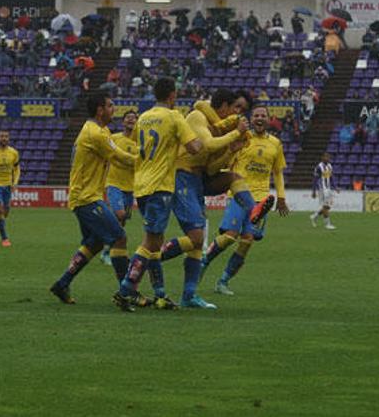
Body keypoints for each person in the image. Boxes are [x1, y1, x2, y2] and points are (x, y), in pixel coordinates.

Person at [158, 89, 262, 310]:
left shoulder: (220, 129)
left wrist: (231, 150)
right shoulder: (198, 116)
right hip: (182, 176)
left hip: (197, 179)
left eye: (242, 111)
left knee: (234, 178)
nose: (238, 114)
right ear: (223, 106)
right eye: (236, 108)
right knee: (196, 238)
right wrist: (234, 135)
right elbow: (207, 145)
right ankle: (149, 257)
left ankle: (188, 295)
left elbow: (212, 167)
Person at [113, 78, 202, 312]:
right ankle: (126, 289)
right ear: (173, 95)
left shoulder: (143, 117)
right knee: (150, 241)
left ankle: (160, 295)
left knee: (156, 242)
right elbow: (194, 147)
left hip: (141, 184)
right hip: (160, 186)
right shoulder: (174, 117)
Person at [49, 93, 137, 305]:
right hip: (87, 198)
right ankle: (127, 291)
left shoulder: (100, 131)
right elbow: (120, 158)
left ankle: (62, 284)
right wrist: (147, 161)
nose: (113, 109)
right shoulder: (94, 133)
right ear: (99, 109)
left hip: (86, 196)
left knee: (95, 243)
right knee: (119, 237)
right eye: (110, 105)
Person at [202, 104, 289, 296]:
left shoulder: (275, 143)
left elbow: (278, 172)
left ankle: (223, 281)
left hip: (261, 201)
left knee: (247, 241)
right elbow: (227, 161)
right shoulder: (242, 137)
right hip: (240, 194)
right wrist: (231, 151)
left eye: (263, 116)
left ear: (268, 119)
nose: (259, 118)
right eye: (256, 115)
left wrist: (281, 197)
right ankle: (203, 263)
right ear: (251, 118)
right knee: (230, 236)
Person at [101, 109, 139, 267]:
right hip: (114, 183)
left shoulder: (140, 143)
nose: (131, 120)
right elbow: (106, 158)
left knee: (122, 221)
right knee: (120, 214)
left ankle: (108, 250)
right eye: (128, 118)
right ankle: (110, 251)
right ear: (123, 122)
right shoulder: (114, 138)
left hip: (130, 187)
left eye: (134, 118)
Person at [310, 153, 338, 229]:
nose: (328, 158)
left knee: (328, 207)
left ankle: (314, 216)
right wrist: (314, 191)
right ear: (322, 157)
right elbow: (315, 180)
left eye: (329, 157)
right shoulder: (319, 167)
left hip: (328, 189)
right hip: (322, 189)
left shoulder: (329, 166)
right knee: (325, 207)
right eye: (326, 157)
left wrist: (335, 187)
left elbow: (331, 178)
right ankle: (327, 224)